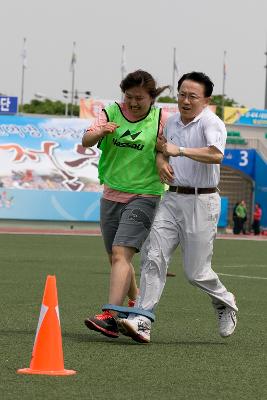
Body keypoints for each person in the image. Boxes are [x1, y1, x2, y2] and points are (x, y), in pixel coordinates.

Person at [118, 71, 238, 343]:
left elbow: (216, 154)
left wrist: (179, 151)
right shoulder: (171, 122)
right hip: (171, 200)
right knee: (153, 256)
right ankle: (143, 319)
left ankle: (225, 301)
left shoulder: (211, 123)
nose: (185, 100)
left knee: (196, 273)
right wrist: (162, 161)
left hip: (202, 201)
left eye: (192, 96)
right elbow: (163, 148)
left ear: (206, 100)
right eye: (182, 94)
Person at [82, 70, 170, 338]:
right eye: (129, 97)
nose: (133, 103)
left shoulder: (160, 119)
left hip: (145, 194)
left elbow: (163, 149)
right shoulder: (110, 112)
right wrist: (99, 132)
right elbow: (86, 141)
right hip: (111, 193)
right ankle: (136, 303)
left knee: (122, 253)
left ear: (151, 97)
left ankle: (110, 315)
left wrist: (162, 160)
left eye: (140, 98)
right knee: (115, 258)